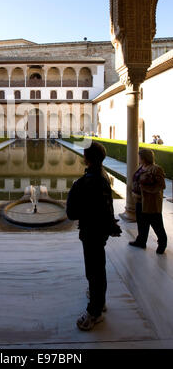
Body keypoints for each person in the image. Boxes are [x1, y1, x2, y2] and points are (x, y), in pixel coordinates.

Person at [66, 141, 122, 331]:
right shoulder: (104, 175)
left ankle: (94, 312)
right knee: (100, 267)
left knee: (94, 270)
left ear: (87, 158)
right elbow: (106, 205)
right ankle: (100, 300)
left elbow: (71, 213)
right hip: (101, 230)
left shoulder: (85, 182)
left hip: (91, 231)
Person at [129, 148, 167, 254]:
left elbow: (161, 185)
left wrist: (145, 189)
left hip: (150, 202)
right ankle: (141, 241)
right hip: (139, 201)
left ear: (144, 158)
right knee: (141, 223)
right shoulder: (141, 167)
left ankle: (162, 244)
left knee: (156, 224)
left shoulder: (156, 169)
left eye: (139, 156)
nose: (138, 158)